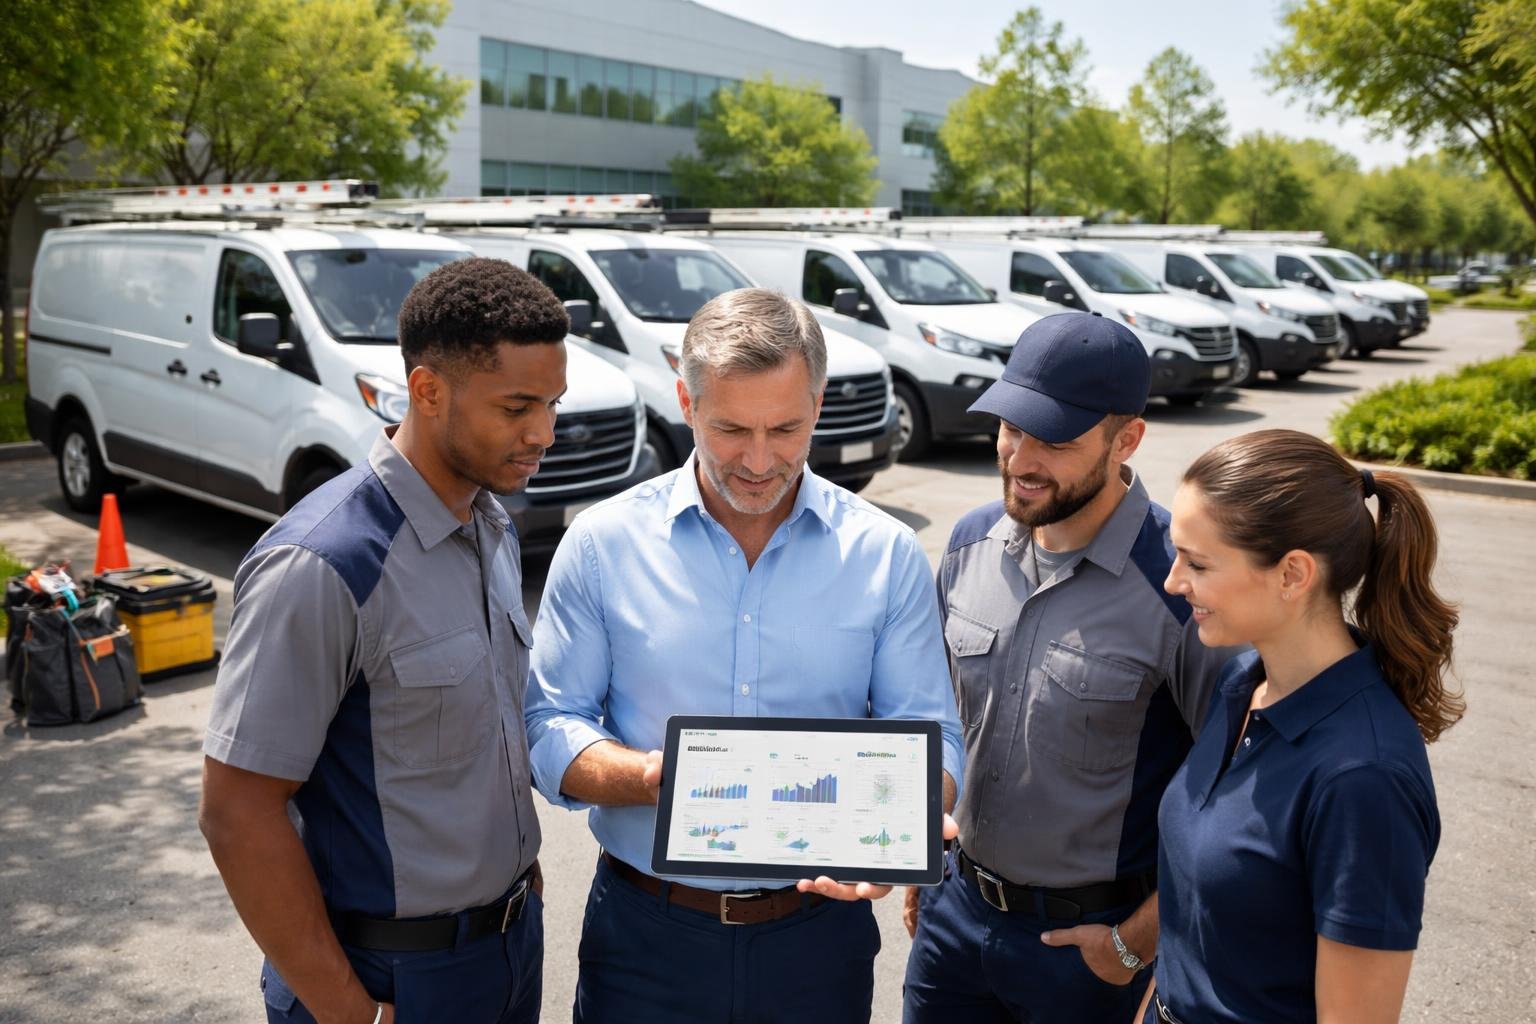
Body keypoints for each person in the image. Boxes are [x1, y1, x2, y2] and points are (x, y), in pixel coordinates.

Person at [524, 287, 964, 1024]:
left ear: (818, 406)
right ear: (686, 404)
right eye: (731, 429)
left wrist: (904, 825)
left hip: (818, 944)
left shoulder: (884, 553)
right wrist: (653, 778)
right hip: (646, 940)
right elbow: (549, 724)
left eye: (786, 428)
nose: (760, 461)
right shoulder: (603, 545)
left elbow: (934, 735)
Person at [199, 258, 569, 1024]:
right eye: (518, 406)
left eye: (553, 404)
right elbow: (238, 810)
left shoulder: (488, 525)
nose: (544, 433)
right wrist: (344, 1009)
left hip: (504, 951)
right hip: (384, 980)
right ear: (428, 391)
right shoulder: (322, 563)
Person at [902, 311, 1239, 1023]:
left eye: (1053, 439)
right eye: (1010, 427)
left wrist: (1137, 942)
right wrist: (914, 853)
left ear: (1127, 439)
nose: (1020, 458)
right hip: (952, 920)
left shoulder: (1179, 587)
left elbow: (1237, 797)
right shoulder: (967, 543)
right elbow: (941, 718)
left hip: (1086, 956)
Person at [1146, 429, 1462, 1023]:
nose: (1173, 580)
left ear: (1293, 574)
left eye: (1198, 562)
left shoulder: (1365, 778)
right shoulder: (1243, 683)